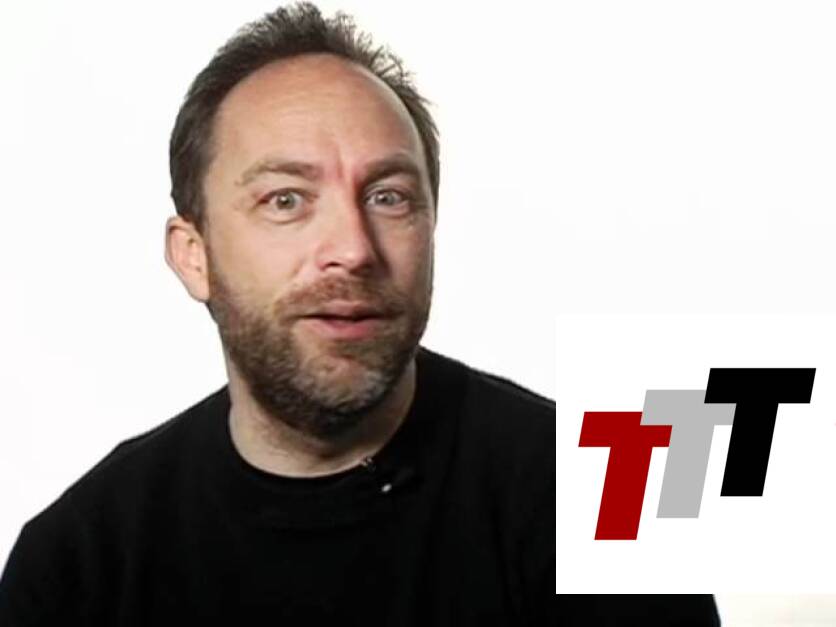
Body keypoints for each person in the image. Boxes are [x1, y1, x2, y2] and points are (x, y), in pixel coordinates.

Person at [0, 3, 555, 625]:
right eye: (285, 200)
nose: (353, 249)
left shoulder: (600, 486)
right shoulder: (77, 567)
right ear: (194, 256)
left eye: (389, 197)